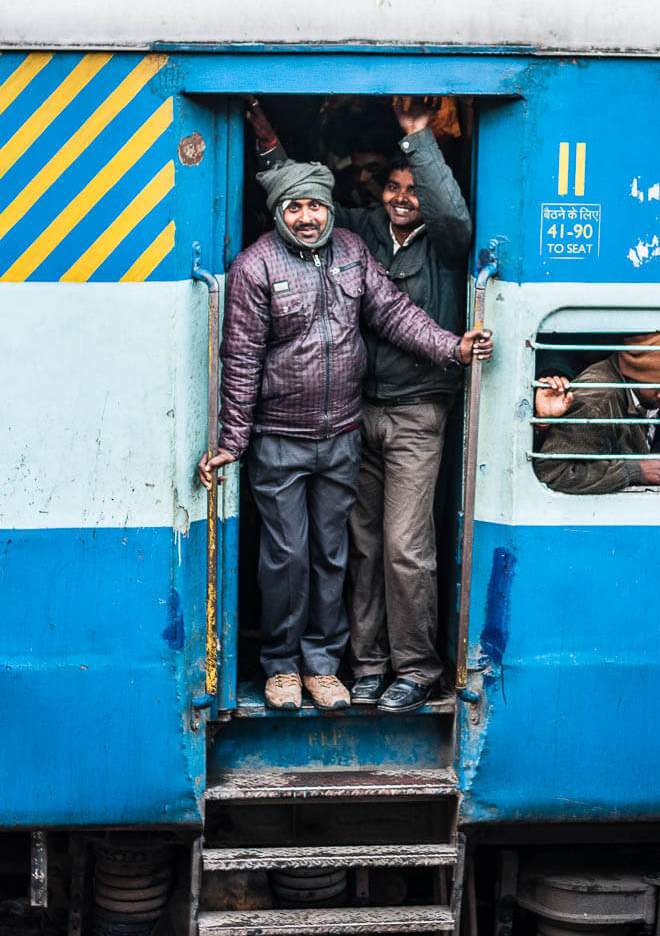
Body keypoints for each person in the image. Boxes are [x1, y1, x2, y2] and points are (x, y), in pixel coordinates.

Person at [197, 158, 487, 713]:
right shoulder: (256, 266)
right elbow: (240, 361)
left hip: (343, 435)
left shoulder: (352, 252)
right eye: (295, 207)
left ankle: (324, 664)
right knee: (285, 556)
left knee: (333, 553)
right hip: (280, 438)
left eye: (315, 206)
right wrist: (233, 441)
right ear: (280, 212)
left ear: (330, 209)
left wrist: (451, 348)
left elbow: (395, 314)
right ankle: (281, 664)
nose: (306, 218)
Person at [535, 333, 660, 494]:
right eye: (654, 384)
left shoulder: (659, 402)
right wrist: (634, 471)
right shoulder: (599, 400)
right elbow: (554, 473)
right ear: (634, 372)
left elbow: (648, 467)